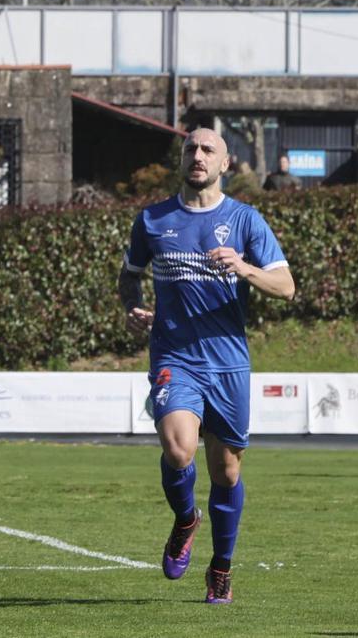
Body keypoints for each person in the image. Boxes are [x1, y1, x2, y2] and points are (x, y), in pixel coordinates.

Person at [119, 128, 295, 604]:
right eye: (190, 149)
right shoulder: (153, 220)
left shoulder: (245, 220)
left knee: (227, 472)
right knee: (178, 450)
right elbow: (129, 276)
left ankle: (221, 567)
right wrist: (132, 306)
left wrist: (245, 268)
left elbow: (286, 286)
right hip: (174, 356)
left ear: (225, 165)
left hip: (229, 366)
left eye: (207, 151)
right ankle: (184, 518)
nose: (197, 156)